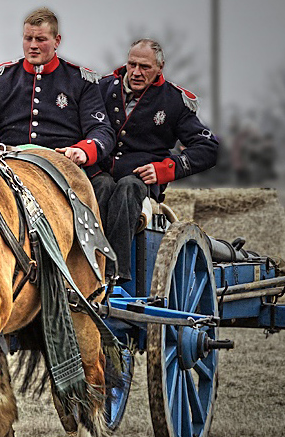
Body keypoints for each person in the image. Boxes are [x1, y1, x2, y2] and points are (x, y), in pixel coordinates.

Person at [92, 38, 219, 281]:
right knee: (100, 186)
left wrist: (164, 169)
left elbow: (208, 147)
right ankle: (85, 265)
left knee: (127, 188)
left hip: (140, 180)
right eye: (132, 64)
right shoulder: (102, 88)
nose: (136, 72)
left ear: (160, 67)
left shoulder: (174, 101)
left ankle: (114, 273)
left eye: (145, 67)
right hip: (101, 173)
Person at [0, 7, 115, 173]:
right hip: (10, 163)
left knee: (103, 185)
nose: (33, 45)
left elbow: (101, 130)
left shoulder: (82, 81)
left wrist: (83, 151)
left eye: (40, 39)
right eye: (28, 38)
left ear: (57, 41)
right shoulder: (0, 77)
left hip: (64, 166)